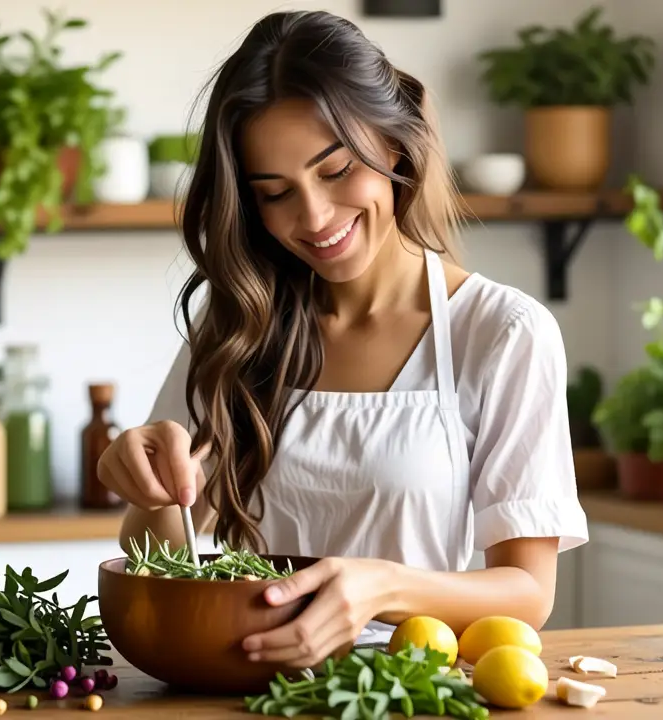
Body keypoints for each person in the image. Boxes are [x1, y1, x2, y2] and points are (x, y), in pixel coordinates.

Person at [97, 9, 588, 669]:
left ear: (392, 145)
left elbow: (528, 592)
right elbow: (160, 555)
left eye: (334, 172)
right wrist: (149, 487)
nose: (314, 218)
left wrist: (379, 585)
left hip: (407, 691)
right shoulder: (242, 320)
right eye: (274, 193)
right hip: (246, 686)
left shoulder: (502, 332)